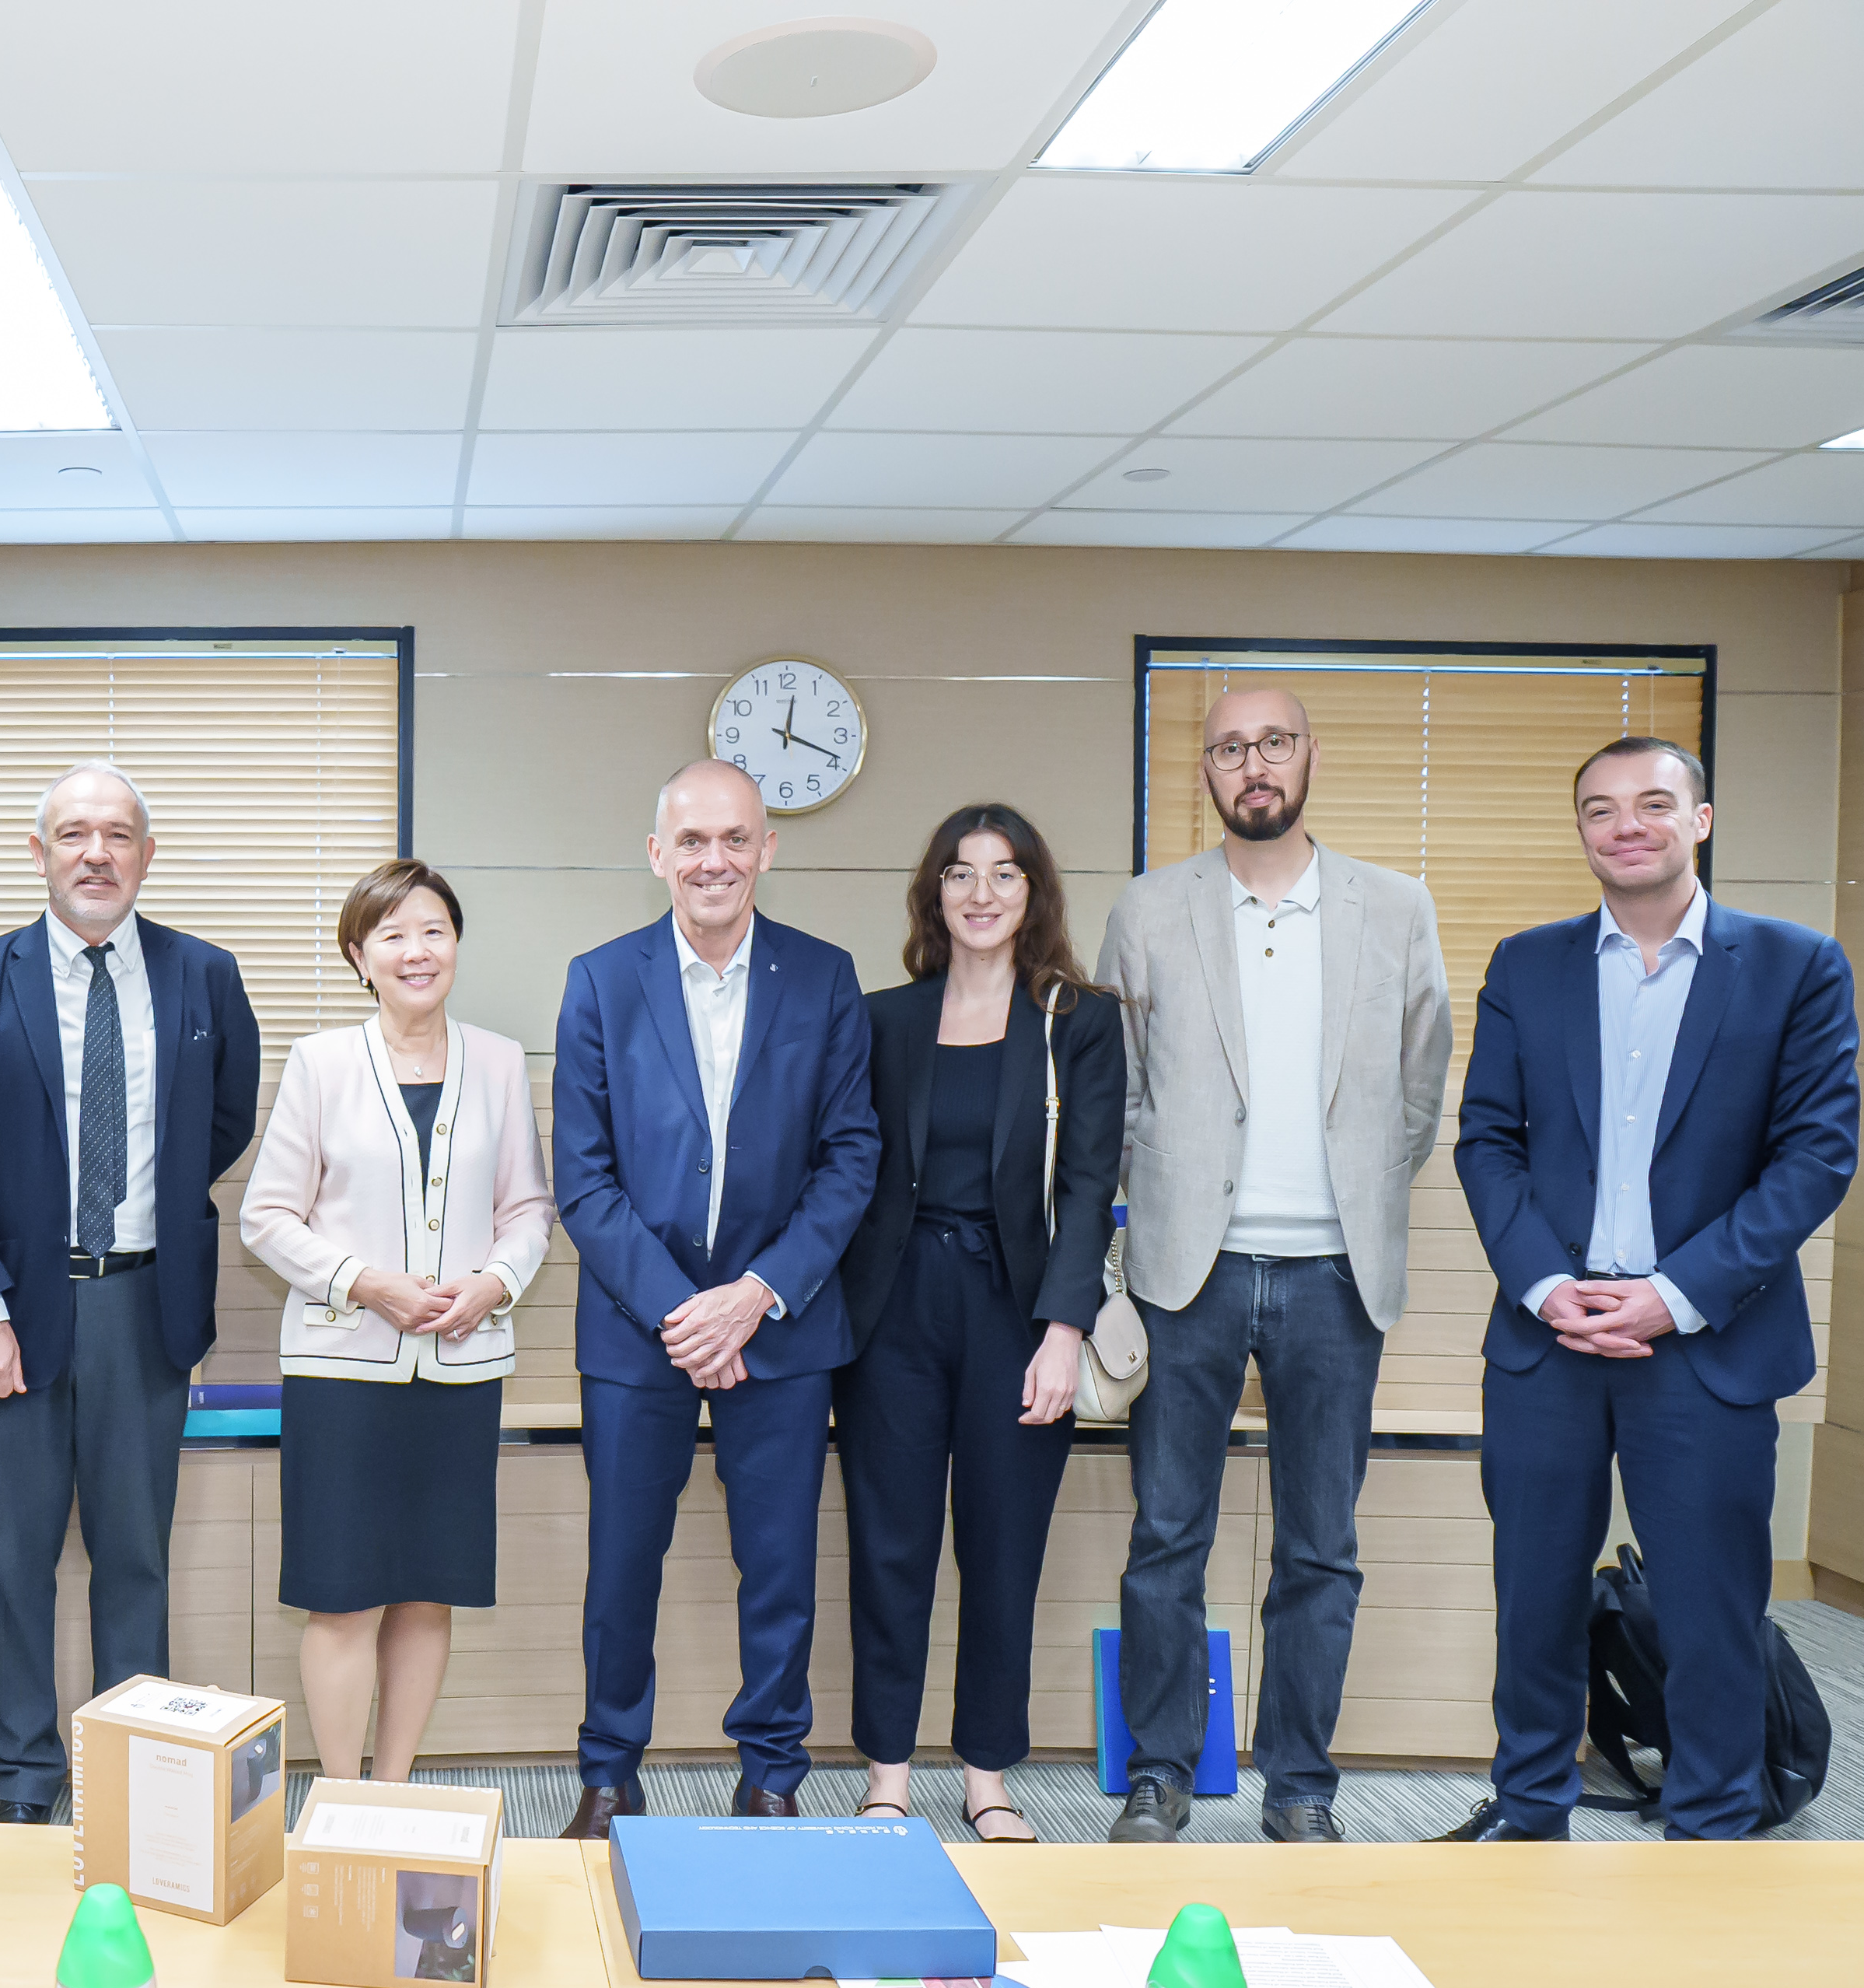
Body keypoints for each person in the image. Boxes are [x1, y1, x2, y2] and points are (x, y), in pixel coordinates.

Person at [1440, 737, 1856, 1843]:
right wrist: (1539, 1280)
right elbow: (1487, 1142)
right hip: (1549, 1345)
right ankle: (1528, 1813)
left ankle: (1713, 1830)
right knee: (1533, 1602)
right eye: (1600, 809)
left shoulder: (1795, 965)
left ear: (1701, 819)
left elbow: (1814, 1158)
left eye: (1653, 803)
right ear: (1580, 831)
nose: (1626, 824)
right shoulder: (1528, 965)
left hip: (1706, 1346)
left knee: (1712, 1612)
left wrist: (1676, 1292)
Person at [1093, 687, 1452, 1845]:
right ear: (1205, 768)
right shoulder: (1148, 910)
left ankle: (1300, 1783)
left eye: (1275, 743)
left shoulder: (1394, 907)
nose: (1255, 765)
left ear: (1309, 756)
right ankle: (1159, 1770)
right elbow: (1126, 1090)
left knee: (1320, 1545)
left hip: (1336, 1275)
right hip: (1185, 1270)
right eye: (1232, 747)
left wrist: (1349, 1200)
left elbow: (1417, 1086)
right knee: (1167, 1538)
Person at [0, 761, 262, 1823]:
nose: (96, 853)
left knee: (134, 1558)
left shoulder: (205, 975)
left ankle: (133, 1770)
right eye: (74, 834)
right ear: (40, 854)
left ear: (147, 856)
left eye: (118, 834)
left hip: (146, 1306)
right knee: (13, 1559)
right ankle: (23, 1773)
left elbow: (226, 1120)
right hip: (13, 1310)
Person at [551, 758, 877, 1838]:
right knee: (621, 1565)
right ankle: (608, 1770)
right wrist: (683, 1313)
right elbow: (585, 1181)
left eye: (735, 839)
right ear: (657, 855)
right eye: (691, 841)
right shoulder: (599, 980)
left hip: (780, 1329)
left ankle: (773, 1770)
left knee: (779, 1565)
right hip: (639, 1334)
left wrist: (756, 1295)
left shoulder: (826, 979)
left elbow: (850, 1160)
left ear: (767, 850)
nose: (714, 860)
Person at [834, 806, 1124, 1843]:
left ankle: (989, 1776)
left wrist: (1065, 1330)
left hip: (1017, 1312)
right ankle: (887, 1772)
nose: (983, 892)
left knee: (1003, 1551)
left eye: (1006, 874)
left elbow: (1090, 1187)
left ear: (1034, 893)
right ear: (935, 894)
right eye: (961, 873)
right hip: (892, 1311)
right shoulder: (883, 1019)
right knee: (891, 1547)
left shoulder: (1078, 1020)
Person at [240, 859, 554, 1782]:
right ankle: (341, 1794)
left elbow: (530, 1208)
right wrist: (364, 1280)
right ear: (359, 955)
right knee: (343, 1597)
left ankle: (392, 1787)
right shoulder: (320, 1062)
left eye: (434, 931)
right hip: (343, 1372)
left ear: (456, 943)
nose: (417, 951)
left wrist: (496, 1281)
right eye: (393, 935)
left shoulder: (499, 1060)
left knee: (427, 1594)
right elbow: (267, 1215)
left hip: (459, 1371)